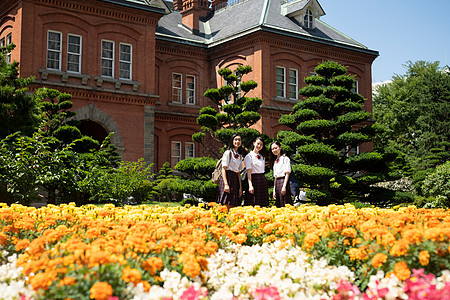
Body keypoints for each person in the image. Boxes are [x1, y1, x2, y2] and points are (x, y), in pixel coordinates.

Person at [217, 134, 244, 209]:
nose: (237, 141)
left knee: (234, 202)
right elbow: (223, 169)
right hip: (227, 177)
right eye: (235, 139)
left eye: (239, 140)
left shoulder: (239, 156)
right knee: (226, 202)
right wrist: (226, 184)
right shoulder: (228, 153)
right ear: (232, 141)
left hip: (235, 178)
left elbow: (238, 172)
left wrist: (240, 188)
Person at [243, 137, 269, 207]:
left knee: (263, 203)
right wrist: (250, 185)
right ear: (254, 143)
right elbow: (249, 172)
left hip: (262, 179)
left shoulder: (262, 157)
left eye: (261, 145)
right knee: (253, 202)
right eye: (258, 144)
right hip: (253, 179)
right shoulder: (249, 156)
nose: (259, 146)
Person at [270, 140, 293, 207]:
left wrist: (284, 186)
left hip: (283, 181)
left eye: (276, 148)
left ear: (280, 147)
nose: (274, 150)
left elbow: (287, 173)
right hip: (277, 183)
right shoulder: (275, 161)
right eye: (272, 149)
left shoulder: (285, 159)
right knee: (278, 203)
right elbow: (275, 177)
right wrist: (274, 190)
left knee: (285, 202)